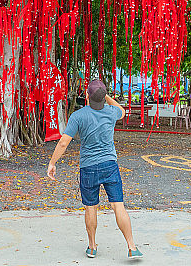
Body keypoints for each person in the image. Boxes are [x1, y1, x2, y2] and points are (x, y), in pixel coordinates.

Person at [47, 80, 143, 260]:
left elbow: (63, 142)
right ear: (104, 96)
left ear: (87, 95)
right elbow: (122, 111)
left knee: (91, 207)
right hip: (110, 165)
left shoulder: (78, 116)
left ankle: (92, 247)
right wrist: (105, 95)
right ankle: (132, 246)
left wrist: (52, 163)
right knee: (118, 205)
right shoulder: (112, 112)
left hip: (89, 167)